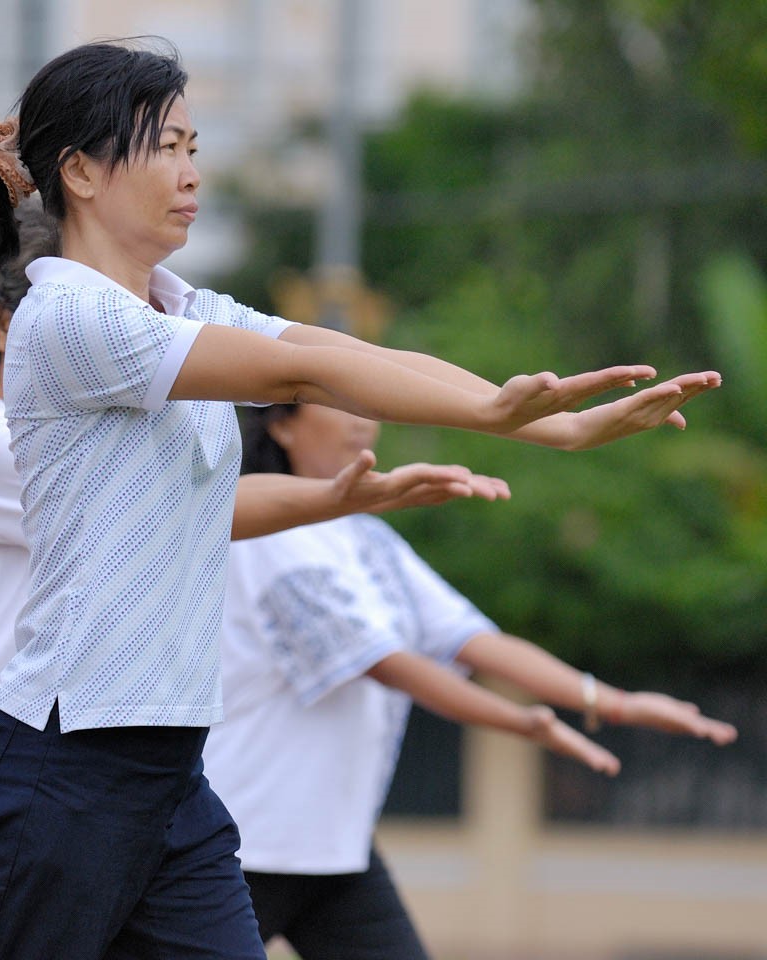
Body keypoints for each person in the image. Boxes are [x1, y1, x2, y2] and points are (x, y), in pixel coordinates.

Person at [0, 38, 718, 960]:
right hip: (60, 771)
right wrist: (494, 413)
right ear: (81, 171)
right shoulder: (71, 317)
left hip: (169, 776)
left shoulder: (176, 310)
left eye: (194, 146)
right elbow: (305, 372)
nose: (193, 171)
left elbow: (347, 357)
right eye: (167, 147)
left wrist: (544, 424)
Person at [0, 201, 504, 960]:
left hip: (77, 816)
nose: (119, 322)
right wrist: (338, 497)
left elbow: (298, 372)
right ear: (0, 325)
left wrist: (493, 413)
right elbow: (198, 499)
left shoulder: (96, 428)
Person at [202, 402, 739, 960]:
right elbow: (387, 663)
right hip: (248, 845)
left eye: (366, 406)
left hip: (336, 850)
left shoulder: (369, 541)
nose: (362, 421)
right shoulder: (264, 535)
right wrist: (521, 722)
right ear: (282, 423)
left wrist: (609, 700)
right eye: (338, 405)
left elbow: (471, 640)